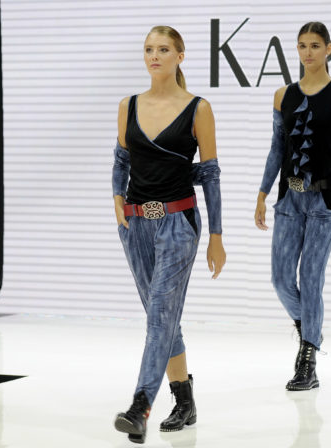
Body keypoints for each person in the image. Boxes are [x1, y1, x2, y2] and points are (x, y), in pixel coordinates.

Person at [111, 25, 226, 444]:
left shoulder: (198, 108)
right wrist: (117, 199)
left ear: (180, 56)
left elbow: (209, 174)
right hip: (135, 224)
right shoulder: (128, 105)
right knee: (162, 318)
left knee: (160, 314)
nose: (154, 56)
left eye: (163, 49)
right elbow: (122, 159)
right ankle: (184, 399)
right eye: (148, 49)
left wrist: (216, 235)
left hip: (179, 224)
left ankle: (140, 406)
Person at [254, 22, 331, 391]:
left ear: (329, 49)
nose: (308, 52)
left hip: (326, 200)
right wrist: (262, 192)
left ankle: (308, 360)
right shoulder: (282, 95)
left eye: (315, 45)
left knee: (312, 277)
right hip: (289, 198)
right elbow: (277, 148)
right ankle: (310, 328)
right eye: (302, 45)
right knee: (280, 279)